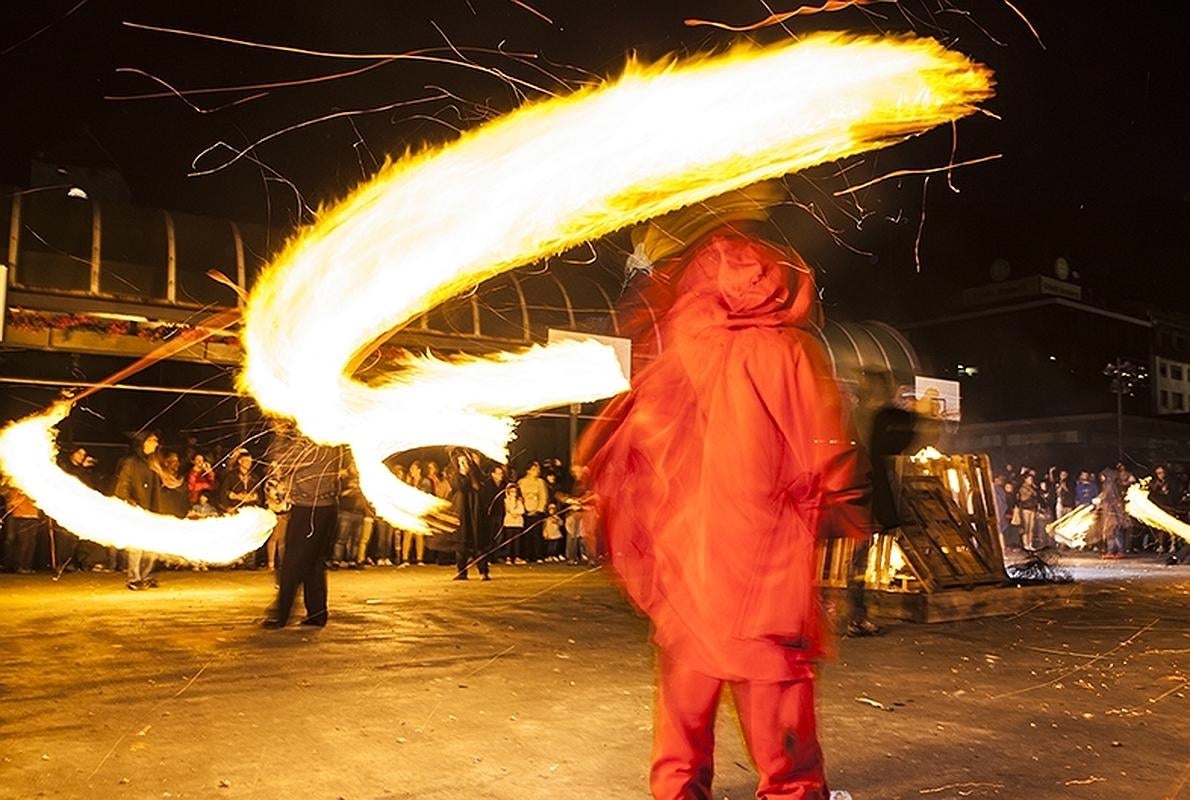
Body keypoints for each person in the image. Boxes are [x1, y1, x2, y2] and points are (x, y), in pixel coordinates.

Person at [580, 184, 869, 800]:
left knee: (686, 690)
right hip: (763, 562)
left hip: (688, 557)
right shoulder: (791, 354)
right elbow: (827, 456)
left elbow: (635, 445)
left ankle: (679, 791)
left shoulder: (679, 350)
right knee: (775, 693)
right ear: (778, 280)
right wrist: (844, 512)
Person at [263, 423, 344, 628]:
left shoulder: (313, 439)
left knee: (292, 563)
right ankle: (317, 614)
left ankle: (281, 615)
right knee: (314, 563)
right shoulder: (331, 438)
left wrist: (280, 436)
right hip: (327, 507)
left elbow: (284, 459)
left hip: (310, 509)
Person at [113, 431, 163, 590]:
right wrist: (128, 501)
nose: (156, 443)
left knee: (152, 546)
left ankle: (146, 575)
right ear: (143, 442)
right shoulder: (131, 463)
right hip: (135, 509)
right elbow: (123, 484)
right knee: (136, 546)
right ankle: (134, 578)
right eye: (153, 440)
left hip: (150, 509)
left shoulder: (153, 462)